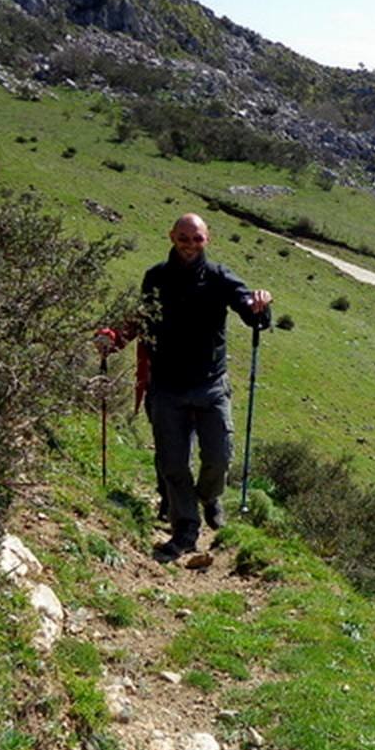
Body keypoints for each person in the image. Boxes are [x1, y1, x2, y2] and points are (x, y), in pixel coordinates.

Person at [98, 213, 271, 561]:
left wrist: (259, 307)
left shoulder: (220, 277)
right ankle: (185, 530)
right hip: (166, 385)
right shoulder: (156, 277)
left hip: (211, 385)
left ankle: (209, 496)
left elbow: (250, 312)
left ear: (207, 239)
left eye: (197, 239)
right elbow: (143, 318)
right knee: (173, 464)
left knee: (219, 458)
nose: (190, 245)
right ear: (172, 237)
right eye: (183, 238)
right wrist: (113, 338)